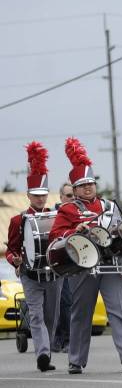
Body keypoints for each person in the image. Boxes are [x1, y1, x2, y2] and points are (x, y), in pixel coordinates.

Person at [49, 138, 122, 374]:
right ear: (75, 189)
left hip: (110, 263)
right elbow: (56, 236)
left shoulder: (110, 206)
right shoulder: (68, 210)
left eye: (91, 183)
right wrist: (73, 232)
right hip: (82, 266)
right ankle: (76, 360)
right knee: (81, 312)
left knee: (118, 308)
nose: (88, 187)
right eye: (83, 185)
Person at [5, 142, 62, 372]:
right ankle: (43, 356)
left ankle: (46, 348)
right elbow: (11, 250)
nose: (40, 199)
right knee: (36, 316)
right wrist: (15, 260)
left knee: (51, 318)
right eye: (36, 195)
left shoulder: (56, 217)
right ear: (28, 195)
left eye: (43, 195)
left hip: (54, 273)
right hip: (30, 274)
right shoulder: (18, 221)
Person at [50, 182, 76, 353]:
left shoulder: (78, 213)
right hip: (57, 263)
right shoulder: (53, 215)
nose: (71, 199)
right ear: (60, 197)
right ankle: (57, 338)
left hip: (73, 263)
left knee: (67, 302)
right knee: (56, 303)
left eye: (73, 196)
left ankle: (67, 339)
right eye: (68, 195)